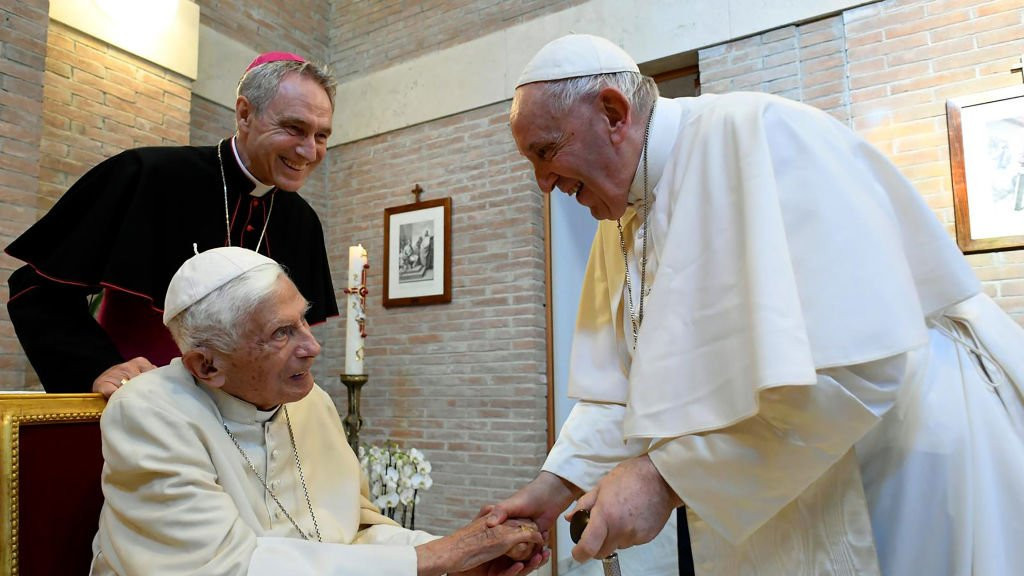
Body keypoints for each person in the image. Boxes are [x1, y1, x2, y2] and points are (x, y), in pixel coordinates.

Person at [487, 34, 1024, 575]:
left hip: (897, 465)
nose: (544, 182)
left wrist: (666, 478)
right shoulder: (622, 214)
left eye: (546, 151)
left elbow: (860, 368)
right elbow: (618, 390)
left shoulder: (763, 136)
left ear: (613, 112)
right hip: (785, 485)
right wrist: (554, 487)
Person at [91, 246, 549, 576]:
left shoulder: (311, 403)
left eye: (303, 320)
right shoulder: (150, 413)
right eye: (281, 333)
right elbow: (229, 568)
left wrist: (457, 556)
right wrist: (434, 559)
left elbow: (354, 531)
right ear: (207, 365)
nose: (312, 346)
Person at [5, 51, 338, 396]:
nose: (309, 151)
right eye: (294, 129)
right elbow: (37, 290)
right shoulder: (147, 176)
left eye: (322, 136)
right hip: (142, 411)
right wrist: (98, 366)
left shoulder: (303, 222)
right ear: (245, 114)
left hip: (245, 428)